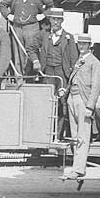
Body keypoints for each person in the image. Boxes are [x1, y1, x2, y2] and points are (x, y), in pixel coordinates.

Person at [28, 7, 78, 140]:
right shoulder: (43, 35)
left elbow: (74, 59)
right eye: (53, 19)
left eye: (58, 19)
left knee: (62, 103)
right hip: (47, 72)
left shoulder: (69, 37)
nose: (55, 22)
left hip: (62, 73)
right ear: (49, 20)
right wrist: (36, 61)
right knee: (47, 102)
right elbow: (31, 48)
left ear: (62, 21)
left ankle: (58, 135)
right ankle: (46, 134)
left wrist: (71, 77)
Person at [0, 0, 54, 74]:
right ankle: (19, 78)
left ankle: (30, 77)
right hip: (17, 28)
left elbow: (51, 6)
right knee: (17, 53)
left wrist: (42, 15)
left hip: (32, 28)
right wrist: (8, 15)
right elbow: (2, 5)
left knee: (31, 52)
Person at [63, 34, 100, 179]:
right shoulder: (79, 60)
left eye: (84, 44)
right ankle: (75, 167)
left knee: (83, 137)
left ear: (89, 46)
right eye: (79, 44)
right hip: (72, 98)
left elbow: (96, 86)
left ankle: (79, 169)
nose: (81, 46)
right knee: (75, 137)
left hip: (83, 100)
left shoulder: (94, 62)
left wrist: (90, 107)